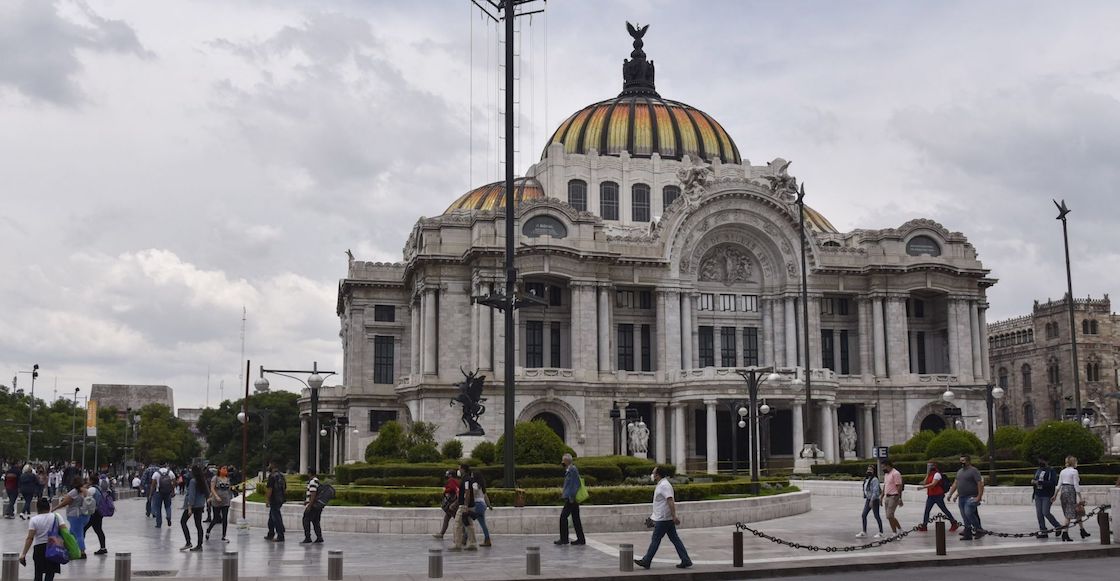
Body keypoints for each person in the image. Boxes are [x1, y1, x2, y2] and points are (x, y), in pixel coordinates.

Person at [633, 465, 692, 570]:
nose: (652, 474)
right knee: (675, 539)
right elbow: (661, 504)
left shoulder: (664, 485)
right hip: (664, 518)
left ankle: (647, 560)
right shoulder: (661, 484)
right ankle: (685, 559)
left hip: (664, 519)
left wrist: (674, 516)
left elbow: (670, 501)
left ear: (658, 475)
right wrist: (653, 517)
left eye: (654, 472)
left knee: (656, 539)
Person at [18, 498, 67, 581]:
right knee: (50, 573)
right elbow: (65, 531)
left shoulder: (34, 520)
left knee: (38, 573)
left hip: (39, 548)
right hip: (53, 546)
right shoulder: (56, 517)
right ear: (49, 507)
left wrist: (23, 554)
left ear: (37, 508)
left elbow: (30, 538)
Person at [947, 454, 984, 541]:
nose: (961, 462)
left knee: (968, 513)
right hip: (962, 497)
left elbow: (980, 484)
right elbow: (955, 483)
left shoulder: (974, 471)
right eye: (960, 460)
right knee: (964, 516)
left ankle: (979, 529)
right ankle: (968, 533)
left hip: (971, 497)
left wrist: (979, 496)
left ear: (968, 461)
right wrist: (951, 494)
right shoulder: (959, 471)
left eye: (963, 460)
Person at [52, 476, 92, 558]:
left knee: (78, 534)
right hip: (85, 515)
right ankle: (70, 548)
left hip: (75, 515)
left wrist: (54, 509)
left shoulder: (74, 492)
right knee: (71, 533)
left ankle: (82, 552)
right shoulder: (86, 491)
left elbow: (64, 503)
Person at [916, 462, 958, 532]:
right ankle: (924, 525)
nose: (928, 467)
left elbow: (933, 484)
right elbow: (925, 482)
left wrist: (923, 487)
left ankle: (953, 523)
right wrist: (927, 474)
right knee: (927, 511)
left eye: (929, 466)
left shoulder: (937, 474)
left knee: (944, 509)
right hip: (931, 495)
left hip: (938, 495)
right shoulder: (930, 474)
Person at [1057, 455, 1090, 541]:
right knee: (1069, 513)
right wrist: (1081, 498)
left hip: (1063, 491)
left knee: (1076, 511)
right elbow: (1076, 485)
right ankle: (1065, 533)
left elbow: (1059, 484)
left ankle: (1082, 530)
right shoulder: (1074, 471)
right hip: (1070, 491)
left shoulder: (1062, 471)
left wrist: (1055, 495)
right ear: (1073, 462)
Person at [556, 453, 586, 545]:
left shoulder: (572, 470)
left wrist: (571, 497)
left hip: (571, 499)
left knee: (563, 517)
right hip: (571, 498)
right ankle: (581, 539)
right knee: (576, 518)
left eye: (563, 460)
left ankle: (564, 539)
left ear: (566, 461)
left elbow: (575, 484)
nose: (562, 462)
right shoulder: (570, 469)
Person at [449, 463, 478, 552]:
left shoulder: (466, 480)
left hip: (464, 506)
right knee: (469, 525)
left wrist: (465, 505)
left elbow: (467, 492)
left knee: (457, 524)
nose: (458, 471)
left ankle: (457, 544)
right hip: (471, 505)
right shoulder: (470, 479)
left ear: (463, 469)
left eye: (459, 469)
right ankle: (472, 543)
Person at [1031, 457, 1062, 538]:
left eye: (1042, 460)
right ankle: (1043, 531)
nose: (1040, 461)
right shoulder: (1038, 470)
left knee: (1046, 512)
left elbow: (1053, 482)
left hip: (1047, 495)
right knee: (1039, 514)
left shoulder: (1051, 471)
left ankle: (1058, 526)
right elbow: (1036, 479)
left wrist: (1040, 482)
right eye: (1039, 460)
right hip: (1038, 494)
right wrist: (1034, 482)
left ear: (1047, 461)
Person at [180, 465, 208, 551]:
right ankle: (199, 545)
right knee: (198, 525)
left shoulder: (193, 481)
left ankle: (188, 542)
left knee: (183, 522)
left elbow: (191, 495)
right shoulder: (203, 481)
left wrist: (189, 507)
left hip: (193, 506)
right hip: (200, 505)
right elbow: (207, 493)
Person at [856, 464, 883, 538]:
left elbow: (875, 491)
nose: (869, 471)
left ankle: (881, 532)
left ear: (874, 471)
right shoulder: (867, 479)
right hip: (868, 499)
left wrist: (872, 500)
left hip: (874, 500)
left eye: (871, 470)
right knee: (864, 515)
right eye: (868, 469)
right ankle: (864, 531)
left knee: (876, 516)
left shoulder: (875, 480)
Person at [206, 466, 232, 542]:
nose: (225, 470)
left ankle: (224, 536)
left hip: (226, 501)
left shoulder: (227, 479)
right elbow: (212, 488)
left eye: (226, 469)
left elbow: (229, 488)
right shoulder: (215, 478)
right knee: (216, 518)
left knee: (225, 518)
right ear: (219, 470)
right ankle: (208, 530)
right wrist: (215, 496)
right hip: (216, 501)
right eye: (223, 468)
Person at [84, 478, 109, 555]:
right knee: (98, 530)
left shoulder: (92, 489)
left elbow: (85, 497)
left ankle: (80, 549)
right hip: (99, 512)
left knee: (83, 529)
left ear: (91, 481)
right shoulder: (99, 488)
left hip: (93, 513)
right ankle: (103, 548)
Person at [433, 470, 460, 539]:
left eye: (448, 474)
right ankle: (441, 534)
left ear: (450, 475)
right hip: (453, 502)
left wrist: (445, 490)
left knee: (457, 519)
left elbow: (453, 488)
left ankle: (464, 535)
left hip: (451, 503)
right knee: (446, 519)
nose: (447, 475)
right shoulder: (455, 480)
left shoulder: (451, 480)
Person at [301, 468, 325, 544]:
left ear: (310, 473)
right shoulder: (317, 481)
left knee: (306, 520)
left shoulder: (312, 482)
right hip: (318, 505)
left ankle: (308, 537)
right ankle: (319, 537)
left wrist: (309, 505)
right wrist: (307, 501)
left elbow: (313, 494)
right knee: (315, 521)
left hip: (313, 505)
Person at [265, 462, 287, 542]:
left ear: (273, 465)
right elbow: (284, 489)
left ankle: (280, 535)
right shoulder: (282, 476)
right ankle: (270, 533)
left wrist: (267, 500)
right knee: (271, 517)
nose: (268, 467)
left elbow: (270, 489)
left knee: (276, 518)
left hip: (274, 499)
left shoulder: (272, 476)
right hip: (280, 499)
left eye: (269, 465)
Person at [880, 460, 904, 534]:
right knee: (889, 516)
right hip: (887, 497)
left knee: (889, 515)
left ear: (888, 465)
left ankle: (895, 533)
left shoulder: (895, 473)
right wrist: (881, 496)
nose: (883, 469)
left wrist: (900, 498)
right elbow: (885, 485)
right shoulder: (886, 474)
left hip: (894, 496)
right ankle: (899, 529)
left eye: (883, 467)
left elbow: (899, 486)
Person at [152, 463, 176, 528]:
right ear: (165, 465)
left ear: (159, 466)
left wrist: (151, 493)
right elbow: (174, 481)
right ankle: (168, 517)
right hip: (168, 492)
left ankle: (159, 524)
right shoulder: (170, 472)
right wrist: (173, 491)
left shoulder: (156, 473)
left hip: (158, 492)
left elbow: (153, 484)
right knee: (168, 506)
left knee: (158, 508)